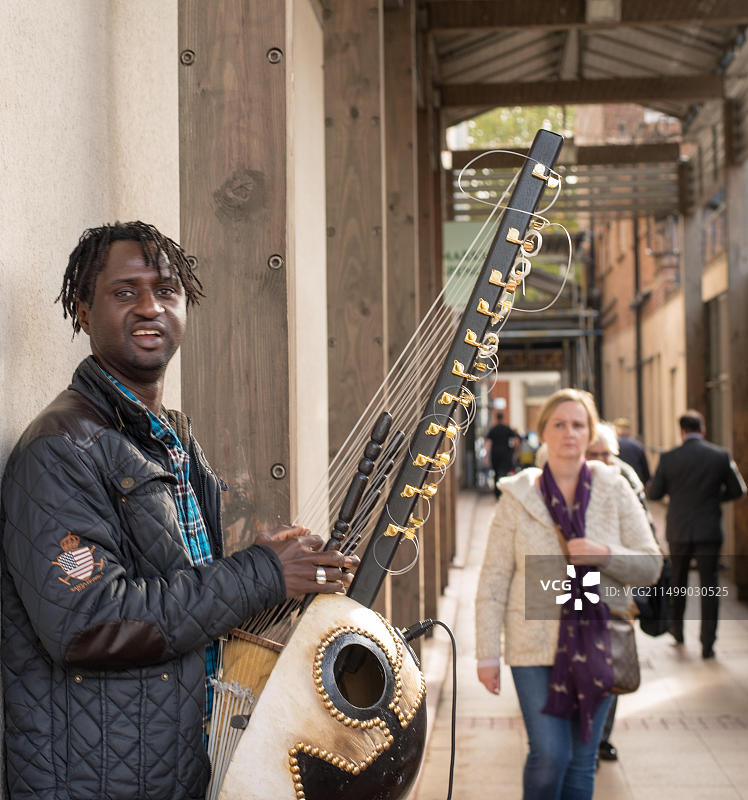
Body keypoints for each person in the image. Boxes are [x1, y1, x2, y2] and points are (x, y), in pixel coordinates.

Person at [0, 221, 358, 800]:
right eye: (125, 292)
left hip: (170, 764)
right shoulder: (60, 449)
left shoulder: (170, 436)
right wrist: (260, 573)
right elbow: (89, 623)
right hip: (100, 780)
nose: (150, 307)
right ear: (82, 308)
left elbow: (178, 589)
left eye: (166, 291)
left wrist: (279, 575)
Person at [475, 389, 661, 800]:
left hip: (599, 642)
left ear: (590, 432)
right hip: (532, 647)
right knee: (550, 754)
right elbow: (493, 581)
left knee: (581, 762)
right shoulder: (517, 497)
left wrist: (604, 554)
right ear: (543, 433)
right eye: (558, 424)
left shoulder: (615, 489)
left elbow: (651, 564)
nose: (569, 434)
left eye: (578, 425)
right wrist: (487, 653)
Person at [585, 421, 657, 765]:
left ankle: (601, 737)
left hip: (614, 584)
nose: (601, 461)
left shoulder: (624, 479)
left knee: (612, 661)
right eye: (593, 454)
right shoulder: (561, 478)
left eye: (606, 455)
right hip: (573, 585)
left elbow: (646, 533)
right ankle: (585, 735)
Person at [647, 409, 745, 659]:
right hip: (709, 529)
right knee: (709, 585)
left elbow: (655, 493)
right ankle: (707, 643)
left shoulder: (669, 458)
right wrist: (714, 499)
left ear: (681, 431)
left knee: (678, 581)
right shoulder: (720, 456)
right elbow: (738, 490)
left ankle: (677, 630)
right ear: (702, 430)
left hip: (679, 528)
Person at [485, 410, 519, 497]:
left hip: (495, 454)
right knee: (504, 473)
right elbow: (516, 441)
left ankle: (497, 493)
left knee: (496, 474)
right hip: (505, 454)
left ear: (496, 418)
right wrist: (515, 451)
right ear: (503, 417)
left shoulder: (493, 429)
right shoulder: (507, 428)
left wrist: (486, 456)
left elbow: (488, 443)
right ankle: (503, 492)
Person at [613, 416, 650, 485]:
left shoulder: (611, 445)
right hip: (635, 482)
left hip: (616, 483)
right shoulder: (637, 446)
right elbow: (645, 472)